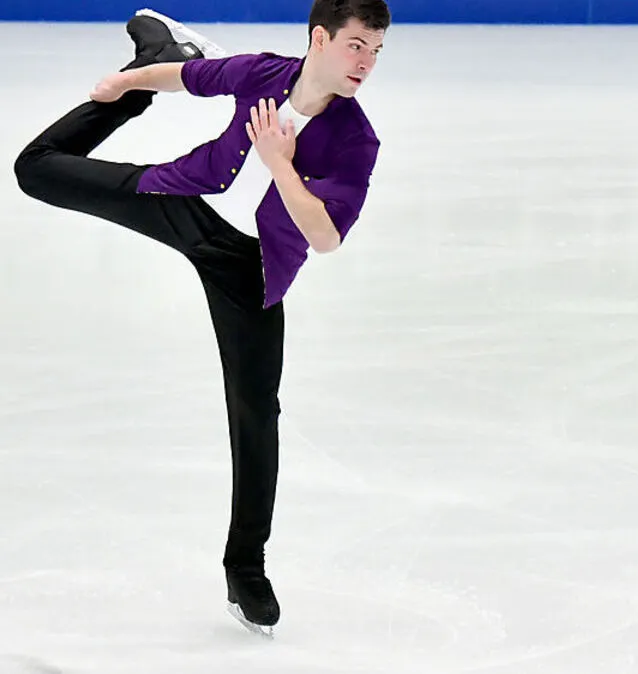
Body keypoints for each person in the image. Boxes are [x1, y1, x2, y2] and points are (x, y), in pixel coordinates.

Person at [13, 0, 391, 635]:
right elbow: (192, 78)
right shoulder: (264, 73)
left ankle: (246, 567)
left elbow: (325, 237)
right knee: (35, 169)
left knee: (255, 411)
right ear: (320, 39)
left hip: (250, 269)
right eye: (357, 46)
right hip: (182, 198)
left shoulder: (355, 139)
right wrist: (131, 84)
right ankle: (148, 57)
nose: (366, 63)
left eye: (376, 51)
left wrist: (279, 163)